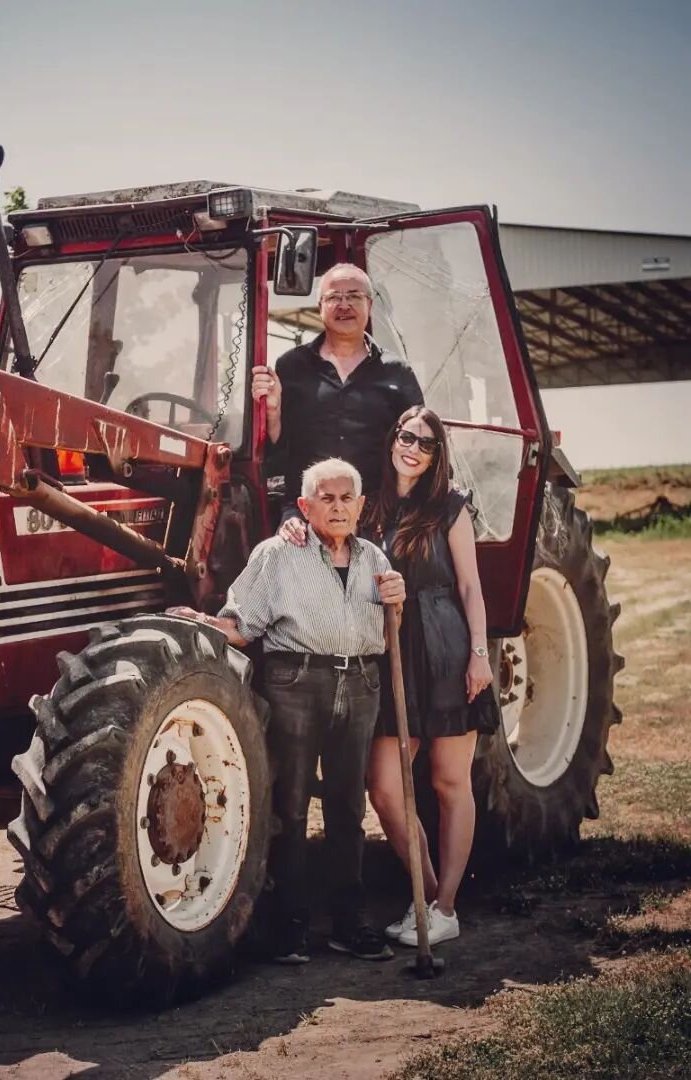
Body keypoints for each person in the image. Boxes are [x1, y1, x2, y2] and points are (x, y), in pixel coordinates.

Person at [169, 457, 405, 964]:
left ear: (361, 506)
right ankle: (290, 926)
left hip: (362, 681)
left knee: (347, 809)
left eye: (347, 498)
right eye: (327, 498)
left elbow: (389, 637)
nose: (338, 507)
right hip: (297, 680)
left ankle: (349, 923)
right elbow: (242, 625)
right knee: (290, 808)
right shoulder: (277, 555)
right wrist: (202, 624)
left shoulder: (374, 561)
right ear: (305, 505)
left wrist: (398, 604)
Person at [363, 406, 499, 947]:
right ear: (392, 439)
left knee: (448, 783)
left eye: (425, 443)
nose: (412, 447)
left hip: (445, 645)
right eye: (406, 436)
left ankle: (444, 907)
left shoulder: (450, 506)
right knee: (385, 787)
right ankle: (430, 893)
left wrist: (480, 653)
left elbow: (470, 587)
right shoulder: (371, 505)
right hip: (392, 648)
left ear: (437, 455)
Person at [253, 263, 424, 543]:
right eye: (334, 297)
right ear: (320, 307)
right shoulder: (292, 366)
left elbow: (421, 445)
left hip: (377, 515)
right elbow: (278, 451)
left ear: (369, 305)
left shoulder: (397, 372)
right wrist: (271, 410)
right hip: (305, 513)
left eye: (354, 296)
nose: (344, 305)